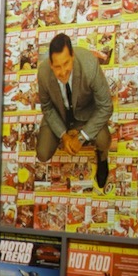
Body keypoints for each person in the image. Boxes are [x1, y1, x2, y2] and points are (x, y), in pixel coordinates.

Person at [36, 32, 114, 189]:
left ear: (72, 56)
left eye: (66, 64)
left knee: (104, 140)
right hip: (60, 115)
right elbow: (47, 107)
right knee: (42, 153)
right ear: (50, 64)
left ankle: (102, 156)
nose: (63, 71)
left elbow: (106, 105)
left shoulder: (89, 64)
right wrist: (63, 135)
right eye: (57, 66)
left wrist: (81, 137)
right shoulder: (43, 73)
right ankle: (65, 138)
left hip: (86, 114)